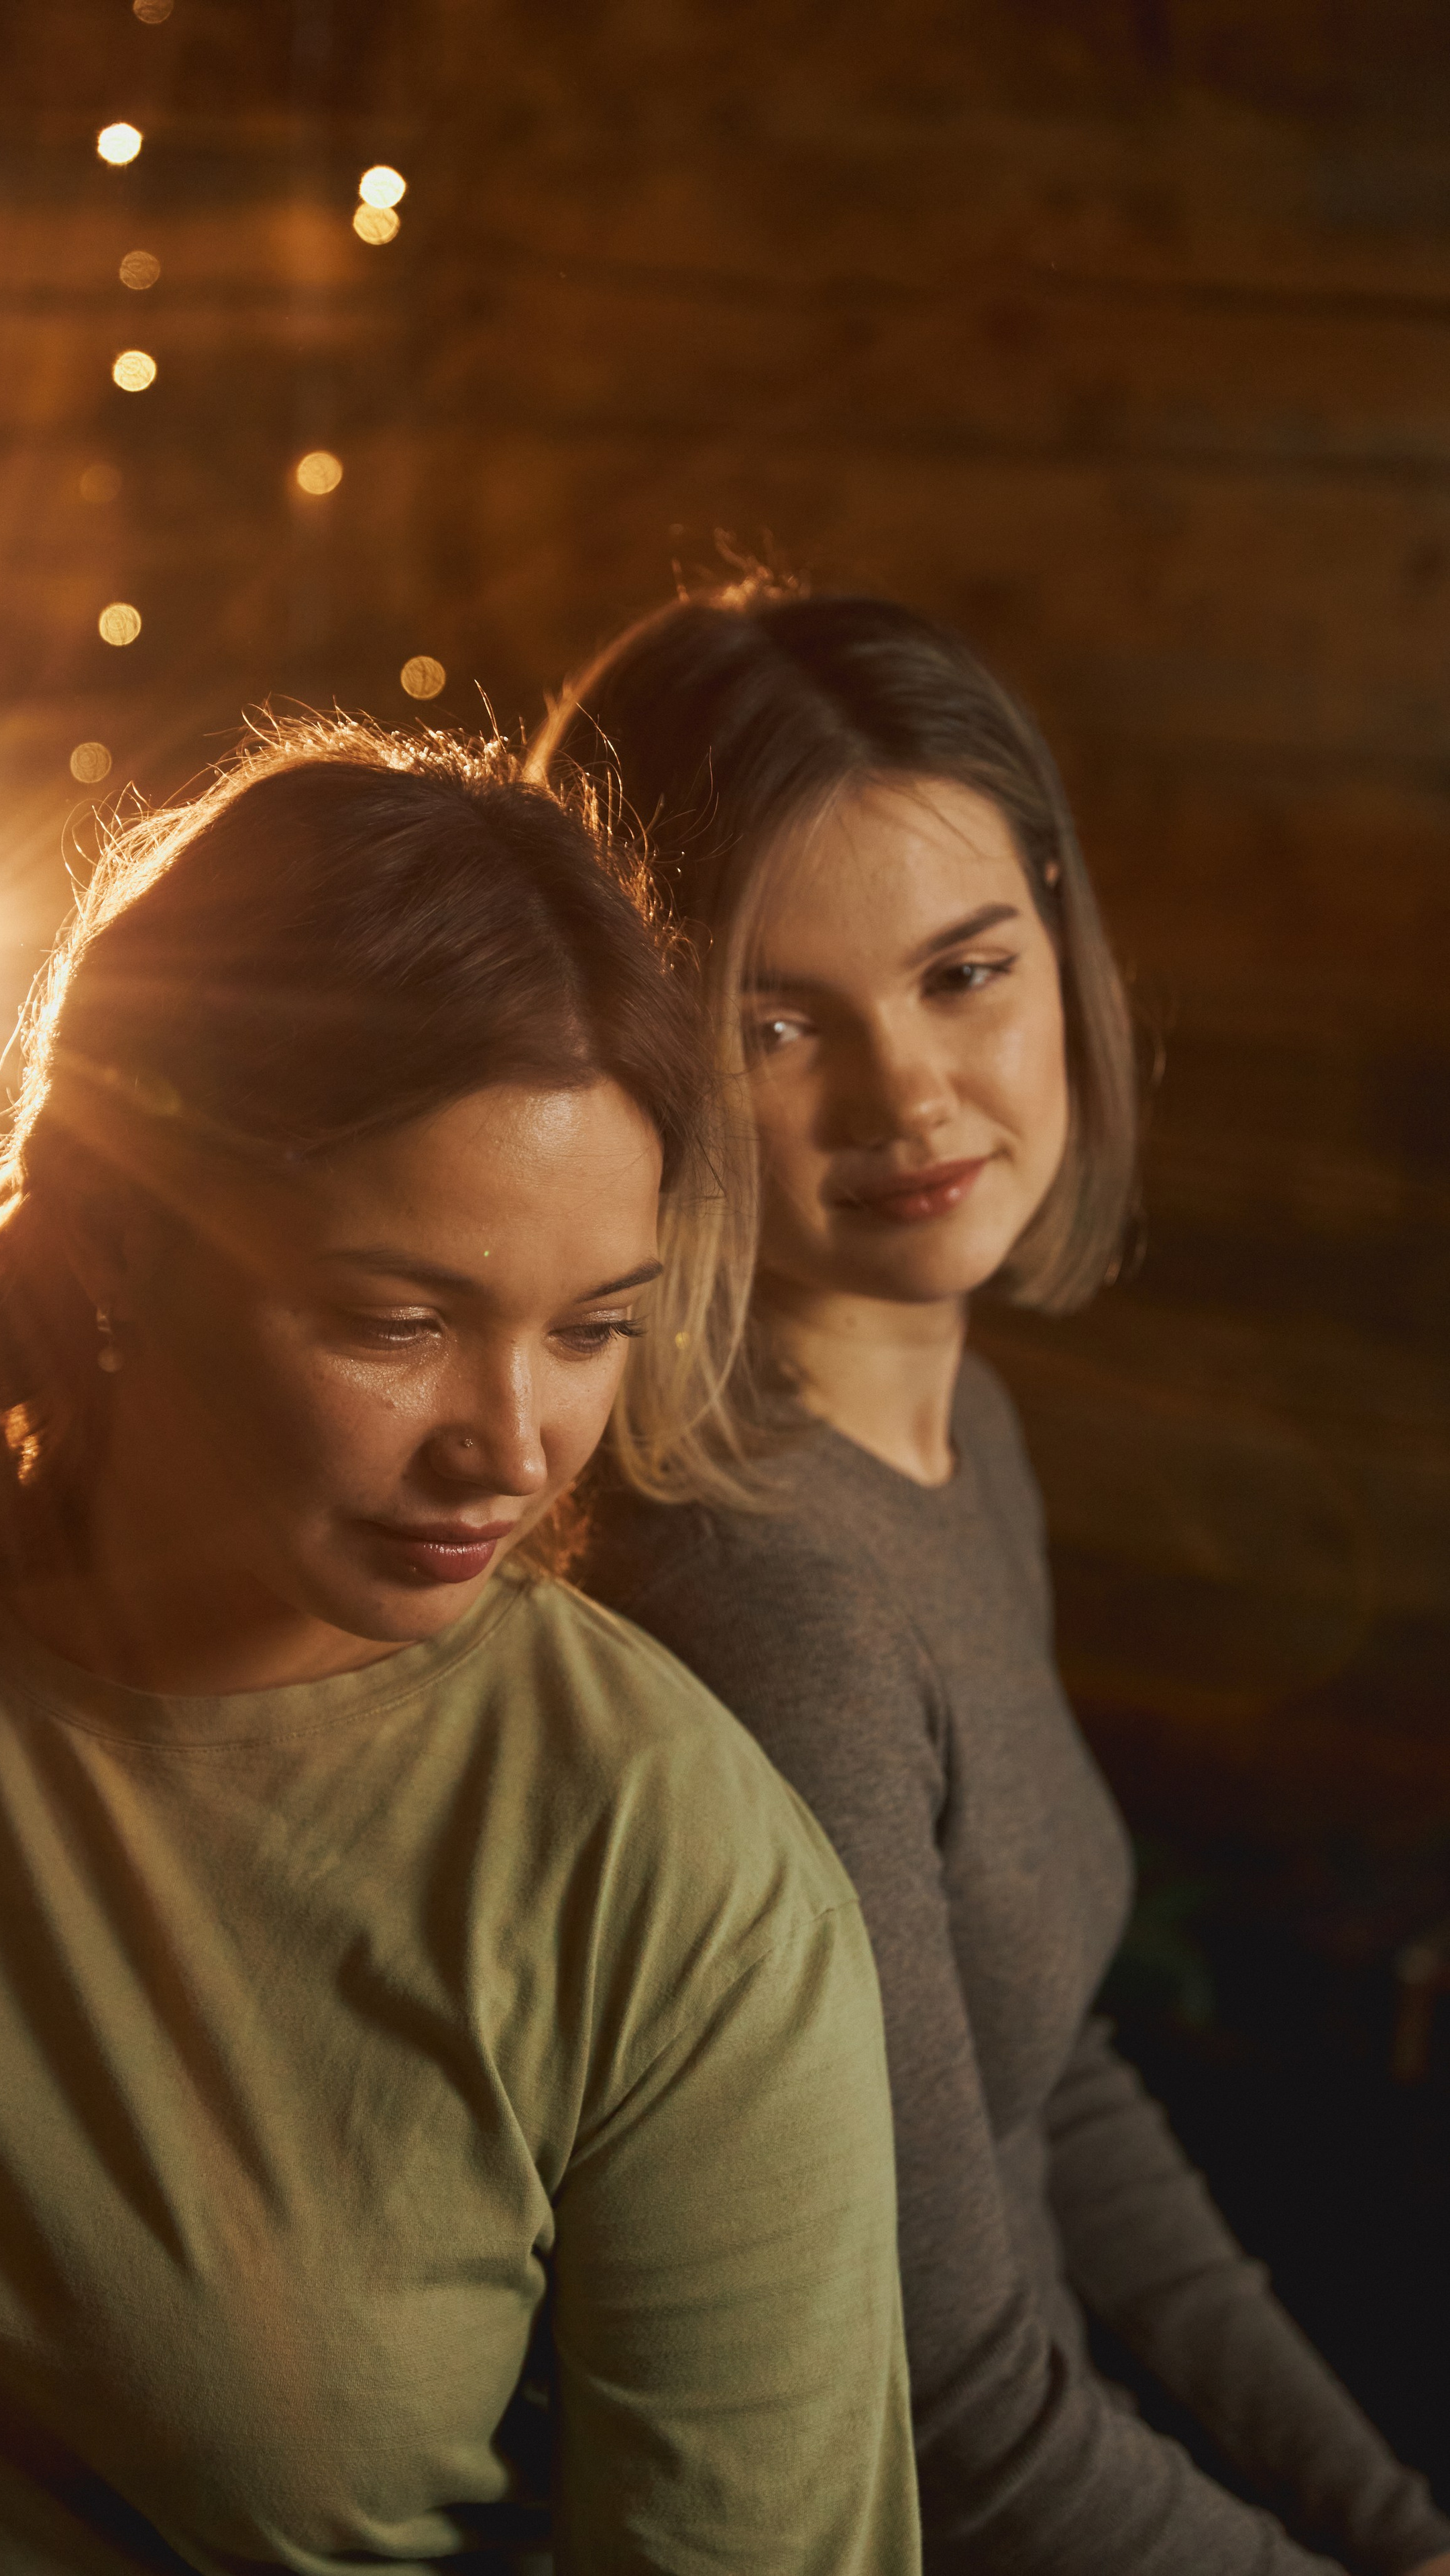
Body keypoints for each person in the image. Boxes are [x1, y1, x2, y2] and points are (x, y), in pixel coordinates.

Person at [0, 721, 920, 2576]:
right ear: (124, 1240)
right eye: (396, 1322)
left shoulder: (674, 1880)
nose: (510, 1444)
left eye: (591, 1330)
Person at [531, 579, 1450, 2576]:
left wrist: (1389, 2522)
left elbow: (1055, 2090)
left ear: (1061, 938)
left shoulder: (960, 1435)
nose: (912, 1099)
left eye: (964, 972)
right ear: (644, 1059)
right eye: (777, 1024)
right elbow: (951, 2427)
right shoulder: (772, 1598)